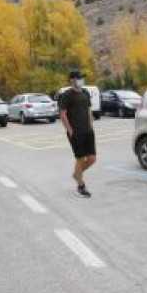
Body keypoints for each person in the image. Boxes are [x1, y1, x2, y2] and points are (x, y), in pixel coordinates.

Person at [59, 69, 96, 197]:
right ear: (72, 80)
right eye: (78, 77)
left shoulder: (85, 92)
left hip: (88, 131)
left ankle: (76, 174)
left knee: (92, 159)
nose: (81, 79)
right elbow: (63, 115)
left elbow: (88, 111)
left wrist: (91, 127)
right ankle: (80, 186)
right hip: (76, 133)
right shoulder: (67, 95)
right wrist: (70, 131)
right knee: (80, 159)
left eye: (82, 77)